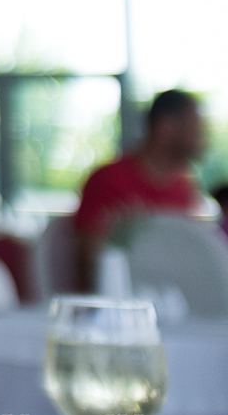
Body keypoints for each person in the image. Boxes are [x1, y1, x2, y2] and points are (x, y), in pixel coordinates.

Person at [74, 89, 209, 290]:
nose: (203, 136)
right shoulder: (108, 179)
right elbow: (89, 264)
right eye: (196, 125)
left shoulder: (186, 186)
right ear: (166, 126)